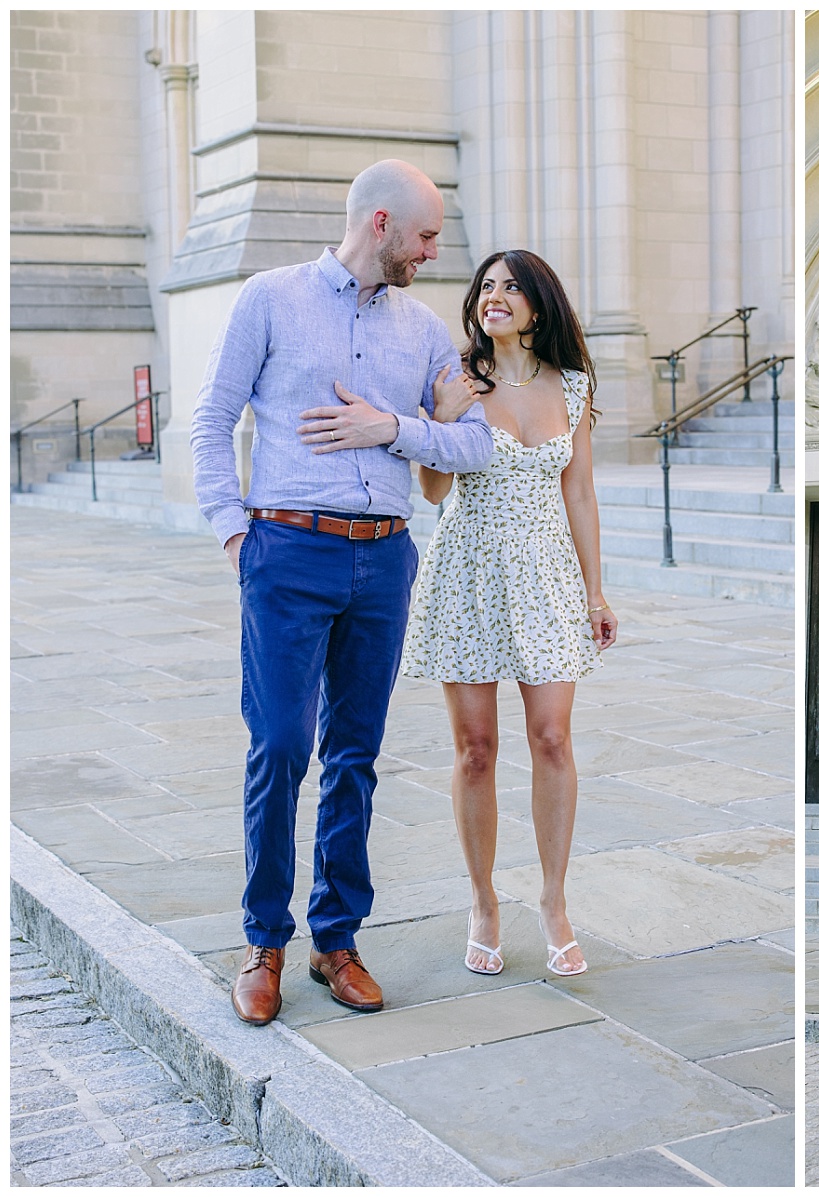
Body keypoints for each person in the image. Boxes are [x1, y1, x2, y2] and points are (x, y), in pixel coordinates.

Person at [191, 159, 495, 1026]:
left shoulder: (427, 331)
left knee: (355, 754)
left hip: (382, 560)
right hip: (284, 550)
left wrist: (391, 428)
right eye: (428, 236)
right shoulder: (269, 298)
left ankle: (337, 941)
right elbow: (211, 420)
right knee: (281, 745)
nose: (435, 254)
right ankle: (263, 941)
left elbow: (474, 446)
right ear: (382, 225)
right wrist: (233, 530)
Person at [400, 249, 619, 980]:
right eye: (487, 286)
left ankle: (554, 902)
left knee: (552, 738)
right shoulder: (459, 379)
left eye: (511, 286)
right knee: (477, 749)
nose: (496, 295)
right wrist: (446, 416)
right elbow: (432, 490)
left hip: (547, 574)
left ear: (536, 305)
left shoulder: (574, 386)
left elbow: (580, 492)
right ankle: (483, 901)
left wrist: (596, 591)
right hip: (468, 569)